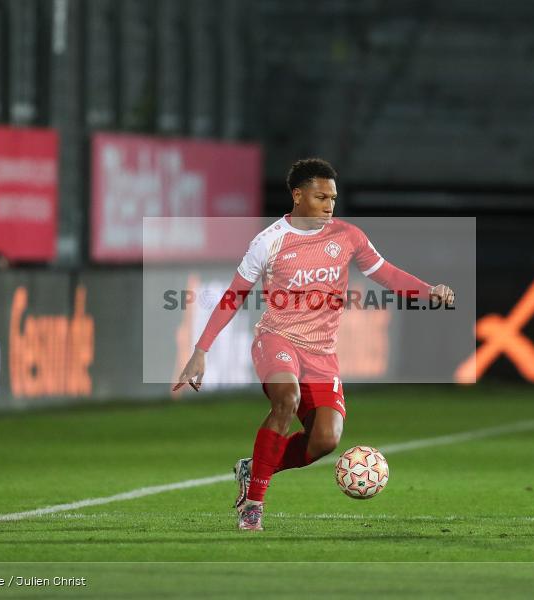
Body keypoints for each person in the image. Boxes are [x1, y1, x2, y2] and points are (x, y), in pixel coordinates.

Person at [174, 158, 454, 531]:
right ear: (297, 195)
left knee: (325, 440)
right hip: (277, 339)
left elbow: (386, 274)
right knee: (286, 398)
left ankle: (253, 468)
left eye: (333, 198)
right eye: (321, 196)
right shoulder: (268, 242)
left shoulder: (348, 236)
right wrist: (200, 350)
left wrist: (427, 290)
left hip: (322, 354)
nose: (329, 205)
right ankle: (254, 504)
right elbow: (233, 296)